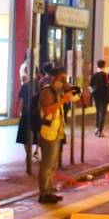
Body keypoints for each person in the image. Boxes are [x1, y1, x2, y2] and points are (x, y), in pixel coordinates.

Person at [37, 66, 79, 204]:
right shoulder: (47, 92)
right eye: (62, 78)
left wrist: (71, 93)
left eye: (65, 78)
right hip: (48, 132)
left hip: (56, 132)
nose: (64, 81)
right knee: (47, 165)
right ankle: (44, 193)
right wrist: (62, 100)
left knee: (52, 165)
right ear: (54, 78)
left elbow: (76, 97)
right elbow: (48, 110)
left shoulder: (59, 92)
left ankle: (49, 190)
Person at [89, 60, 109, 137]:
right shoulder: (106, 75)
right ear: (104, 66)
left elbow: (90, 86)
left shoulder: (94, 75)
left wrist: (92, 94)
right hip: (104, 96)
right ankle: (100, 131)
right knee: (103, 113)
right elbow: (108, 87)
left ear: (97, 65)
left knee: (98, 112)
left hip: (96, 96)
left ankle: (96, 128)